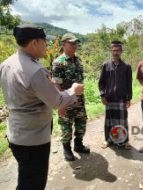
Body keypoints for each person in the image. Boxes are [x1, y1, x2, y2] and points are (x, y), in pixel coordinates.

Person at [0, 24, 83, 190]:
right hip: (33, 139)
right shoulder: (35, 70)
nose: (48, 45)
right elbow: (57, 101)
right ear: (34, 43)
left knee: (26, 177)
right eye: (45, 42)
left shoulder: (6, 64)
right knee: (33, 184)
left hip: (16, 133)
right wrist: (73, 91)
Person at [52, 33, 90, 161]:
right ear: (63, 45)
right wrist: (60, 105)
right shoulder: (58, 62)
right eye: (72, 43)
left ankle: (78, 145)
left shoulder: (78, 60)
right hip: (66, 101)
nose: (75, 45)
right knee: (66, 126)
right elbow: (56, 84)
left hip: (79, 100)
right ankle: (66, 149)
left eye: (76, 43)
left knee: (81, 123)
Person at [98, 40, 132, 149]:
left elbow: (129, 83)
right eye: (114, 50)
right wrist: (103, 95)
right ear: (111, 51)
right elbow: (101, 82)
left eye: (118, 50)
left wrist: (128, 98)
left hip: (121, 98)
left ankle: (125, 141)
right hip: (109, 98)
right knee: (109, 121)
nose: (116, 52)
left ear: (121, 51)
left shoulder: (126, 66)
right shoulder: (105, 65)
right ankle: (108, 140)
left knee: (122, 121)